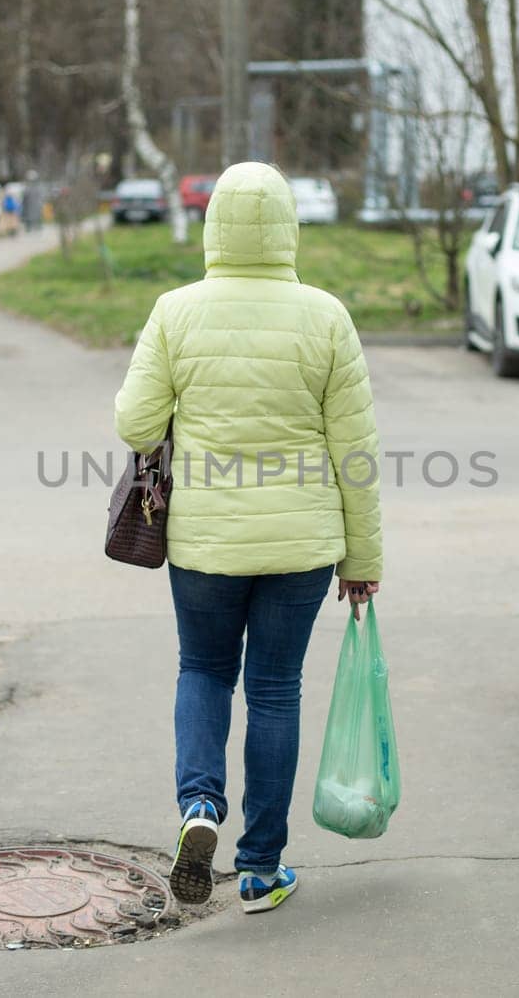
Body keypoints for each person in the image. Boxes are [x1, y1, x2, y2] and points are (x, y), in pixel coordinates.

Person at [114, 162, 383, 914]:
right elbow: (357, 452)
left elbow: (135, 423)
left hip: (205, 543)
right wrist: (362, 559)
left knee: (203, 670)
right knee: (274, 691)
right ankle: (262, 868)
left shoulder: (175, 312)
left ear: (212, 228)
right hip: (301, 548)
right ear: (288, 228)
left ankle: (200, 806)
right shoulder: (327, 316)